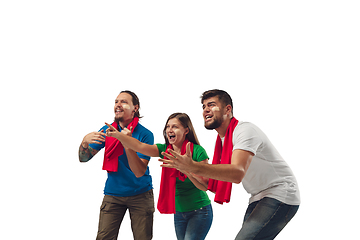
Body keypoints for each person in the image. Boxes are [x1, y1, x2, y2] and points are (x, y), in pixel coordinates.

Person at [159, 89, 300, 240]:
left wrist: (192, 166)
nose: (206, 109)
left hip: (280, 193)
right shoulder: (222, 142)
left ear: (228, 109)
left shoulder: (244, 131)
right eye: (204, 106)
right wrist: (187, 170)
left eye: (211, 105)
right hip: (258, 196)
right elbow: (211, 183)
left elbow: (237, 173)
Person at [105, 112, 213, 240]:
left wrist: (186, 169)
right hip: (179, 212)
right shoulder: (164, 150)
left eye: (175, 127)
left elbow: (205, 185)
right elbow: (140, 146)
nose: (170, 130)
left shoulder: (197, 151)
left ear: (186, 131)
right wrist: (119, 136)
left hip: (200, 211)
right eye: (168, 127)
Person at [78, 90, 155, 240]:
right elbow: (84, 158)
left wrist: (127, 142)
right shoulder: (107, 131)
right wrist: (84, 142)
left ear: (135, 108)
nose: (118, 105)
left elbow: (139, 171)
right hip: (114, 194)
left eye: (124, 102)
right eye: (116, 102)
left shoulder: (145, 134)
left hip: (140, 194)